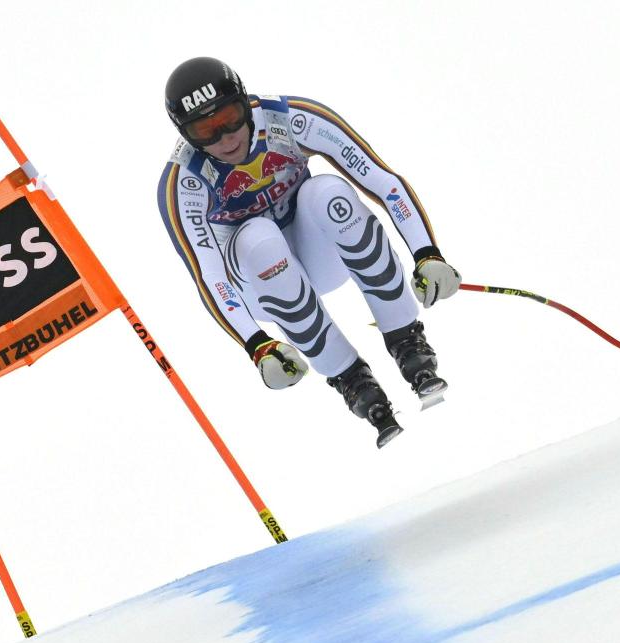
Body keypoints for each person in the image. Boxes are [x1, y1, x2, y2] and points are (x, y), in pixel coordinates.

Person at [156, 57, 461, 448]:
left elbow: (383, 181)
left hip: (322, 255)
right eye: (206, 131)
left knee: (327, 191)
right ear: (186, 134)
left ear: (244, 100)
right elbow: (209, 275)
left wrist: (427, 253)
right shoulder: (185, 181)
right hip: (262, 282)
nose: (227, 138)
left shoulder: (289, 119)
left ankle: (408, 342)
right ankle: (352, 380)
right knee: (258, 236)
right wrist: (256, 343)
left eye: (231, 117)